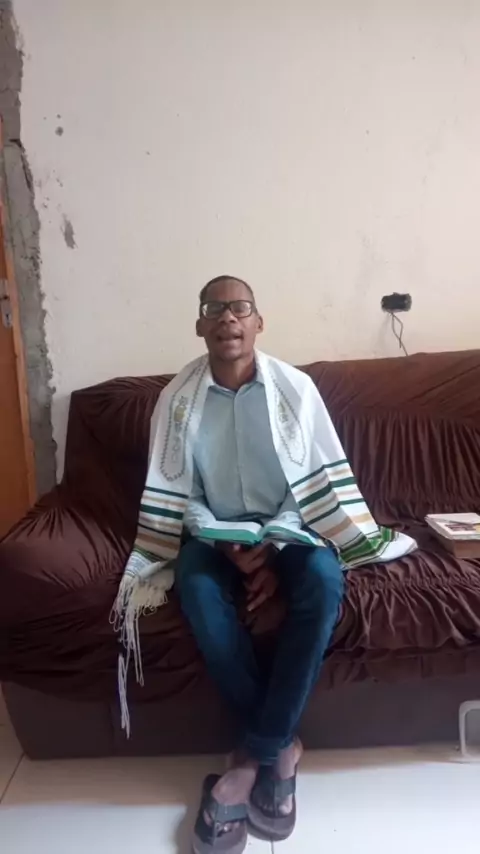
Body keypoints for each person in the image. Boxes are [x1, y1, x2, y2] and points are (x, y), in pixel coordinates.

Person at [176, 275, 345, 852]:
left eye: (240, 308)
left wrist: (273, 547)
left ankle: (253, 757)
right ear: (200, 325)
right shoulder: (178, 401)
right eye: (215, 308)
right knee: (195, 586)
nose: (228, 317)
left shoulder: (296, 390)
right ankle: (282, 750)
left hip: (289, 531)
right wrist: (223, 542)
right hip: (216, 536)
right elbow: (180, 492)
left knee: (323, 580)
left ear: (258, 323)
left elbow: (312, 483)